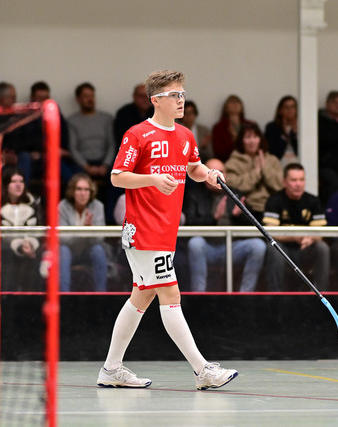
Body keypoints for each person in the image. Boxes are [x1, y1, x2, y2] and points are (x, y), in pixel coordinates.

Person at [98, 70, 237, 390]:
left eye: (182, 94)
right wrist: (152, 179)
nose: (181, 100)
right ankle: (202, 370)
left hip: (166, 229)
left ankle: (111, 369)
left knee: (141, 297)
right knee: (170, 294)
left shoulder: (186, 135)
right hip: (143, 230)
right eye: (174, 95)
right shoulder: (137, 134)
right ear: (155, 100)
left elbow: (193, 168)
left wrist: (209, 174)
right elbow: (117, 176)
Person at [183, 158, 267, 292]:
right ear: (204, 174)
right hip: (208, 246)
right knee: (195, 244)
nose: (217, 175)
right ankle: (199, 295)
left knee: (258, 246)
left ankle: (246, 295)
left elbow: (254, 224)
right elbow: (188, 223)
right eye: (212, 171)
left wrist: (238, 216)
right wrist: (213, 218)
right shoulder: (194, 194)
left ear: (226, 174)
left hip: (232, 247)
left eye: (221, 171)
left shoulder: (235, 193)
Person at [262, 163, 329, 291]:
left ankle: (321, 293)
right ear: (284, 182)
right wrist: (295, 237)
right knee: (273, 248)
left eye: (301, 180)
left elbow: (320, 233)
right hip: (283, 249)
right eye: (293, 180)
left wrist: (310, 239)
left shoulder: (313, 201)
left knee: (322, 248)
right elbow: (270, 231)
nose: (298, 184)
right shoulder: (274, 200)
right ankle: (275, 295)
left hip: (305, 248)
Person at [18, 81, 77, 188]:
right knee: (25, 158)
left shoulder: (56, 113)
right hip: (33, 160)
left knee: (62, 165)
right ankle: (21, 193)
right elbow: (23, 141)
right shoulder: (24, 116)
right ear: (32, 98)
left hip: (52, 158)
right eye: (39, 98)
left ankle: (78, 192)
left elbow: (64, 140)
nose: (43, 102)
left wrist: (60, 151)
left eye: (46, 98)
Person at [225, 122, 283, 224]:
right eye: (248, 137)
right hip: (246, 211)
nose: (252, 141)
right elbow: (234, 186)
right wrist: (256, 172)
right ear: (241, 140)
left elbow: (280, 184)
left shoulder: (272, 160)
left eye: (255, 137)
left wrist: (264, 167)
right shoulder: (233, 163)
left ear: (260, 139)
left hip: (272, 209)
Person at [58, 173, 108, 292]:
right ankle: (64, 296)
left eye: (86, 190)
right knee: (63, 251)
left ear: (91, 192)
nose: (83, 193)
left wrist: (91, 228)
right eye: (79, 189)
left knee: (98, 250)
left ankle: (102, 295)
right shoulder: (62, 207)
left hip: (88, 251)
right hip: (70, 251)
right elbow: (62, 238)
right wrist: (83, 230)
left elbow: (101, 238)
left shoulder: (98, 206)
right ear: (72, 191)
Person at [0, 167, 43, 292]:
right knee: (5, 251)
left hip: (29, 245)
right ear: (6, 185)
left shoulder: (34, 203)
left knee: (40, 253)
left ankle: (34, 297)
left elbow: (40, 230)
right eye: (14, 181)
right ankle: (6, 295)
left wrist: (31, 244)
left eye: (21, 181)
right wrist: (18, 245)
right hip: (5, 247)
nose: (18, 185)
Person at [67, 82, 116, 181]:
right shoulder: (72, 121)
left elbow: (112, 144)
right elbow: (73, 147)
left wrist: (105, 165)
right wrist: (86, 167)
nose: (90, 99)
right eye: (86, 96)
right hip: (82, 163)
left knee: (117, 177)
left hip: (104, 162)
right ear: (78, 99)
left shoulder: (107, 118)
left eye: (92, 96)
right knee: (76, 178)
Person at [211, 94, 254, 163]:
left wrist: (235, 137)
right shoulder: (219, 127)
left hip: (249, 160)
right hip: (228, 162)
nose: (235, 104)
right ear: (226, 108)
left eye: (237, 101)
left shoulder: (249, 125)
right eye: (232, 101)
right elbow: (219, 152)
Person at [264, 95, 298, 167]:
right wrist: (284, 135)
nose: (290, 110)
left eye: (292, 107)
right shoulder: (272, 127)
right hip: (278, 161)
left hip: (298, 159)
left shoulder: (303, 127)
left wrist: (295, 133)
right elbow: (273, 152)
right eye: (286, 107)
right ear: (280, 110)